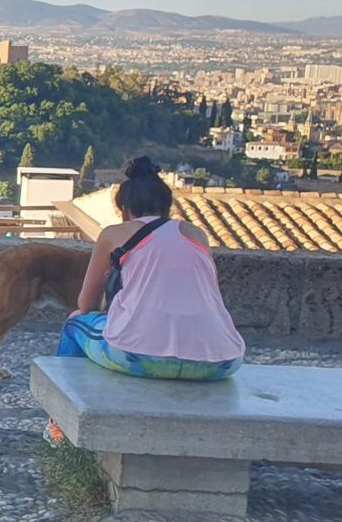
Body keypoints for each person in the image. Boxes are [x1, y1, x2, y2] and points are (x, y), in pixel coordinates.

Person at [57, 156, 244, 380]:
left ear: (124, 210)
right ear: (167, 208)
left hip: (137, 357)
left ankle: (65, 399)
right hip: (222, 362)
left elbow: (86, 304)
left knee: (74, 322)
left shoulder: (113, 234)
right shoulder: (197, 235)